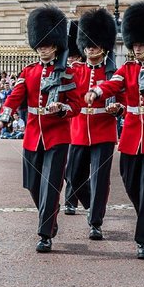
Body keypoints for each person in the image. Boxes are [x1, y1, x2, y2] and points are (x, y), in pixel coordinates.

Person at [84, 2, 144, 259]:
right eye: (135, 45)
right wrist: (96, 91)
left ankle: (143, 240)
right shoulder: (127, 69)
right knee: (130, 183)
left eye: (141, 45)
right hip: (131, 135)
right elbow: (112, 84)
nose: (137, 49)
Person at [0, 6, 80, 254]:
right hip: (33, 135)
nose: (43, 48)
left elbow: (76, 104)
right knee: (34, 185)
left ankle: (44, 234)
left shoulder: (67, 72)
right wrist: (3, 118)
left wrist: (62, 108)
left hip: (58, 136)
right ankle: (49, 220)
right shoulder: (29, 71)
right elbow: (15, 96)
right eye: (39, 44)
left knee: (51, 185)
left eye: (47, 44)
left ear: (55, 45)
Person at [67, 8, 120, 240]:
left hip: (104, 129)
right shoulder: (75, 70)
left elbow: (122, 97)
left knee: (99, 179)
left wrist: (118, 108)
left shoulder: (113, 72)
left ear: (103, 46)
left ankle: (96, 221)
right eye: (87, 44)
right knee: (73, 176)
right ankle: (91, 207)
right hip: (79, 128)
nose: (90, 48)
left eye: (94, 44)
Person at [64, 20, 85, 215]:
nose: (71, 60)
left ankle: (71, 200)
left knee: (74, 167)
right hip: (67, 124)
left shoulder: (81, 70)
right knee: (67, 168)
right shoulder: (65, 70)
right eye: (69, 57)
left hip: (79, 123)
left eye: (74, 57)